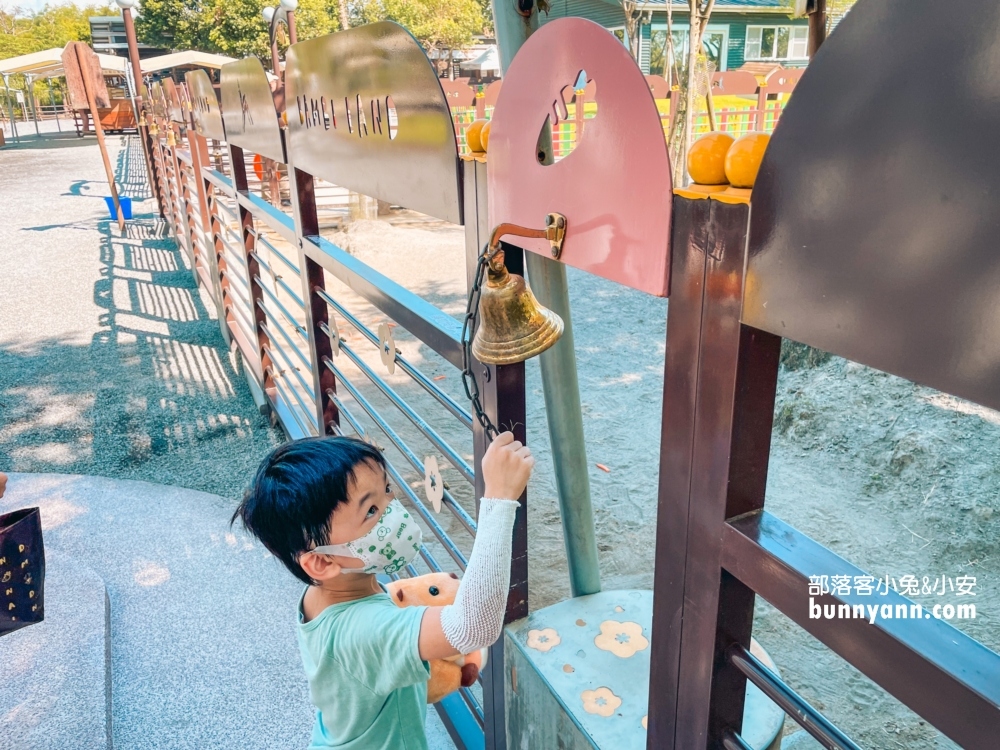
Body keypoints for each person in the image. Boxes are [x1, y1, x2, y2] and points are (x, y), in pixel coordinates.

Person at [233, 432, 533, 750]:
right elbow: (473, 627)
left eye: (386, 491)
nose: (392, 511)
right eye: (371, 511)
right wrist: (499, 499)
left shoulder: (323, 595)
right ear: (321, 562)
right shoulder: (364, 631)